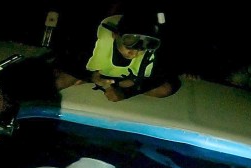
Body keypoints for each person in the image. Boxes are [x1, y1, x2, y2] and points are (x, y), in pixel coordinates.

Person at [51, 11, 180, 102]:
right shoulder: (92, 40)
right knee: (58, 81)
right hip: (94, 73)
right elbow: (65, 60)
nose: (134, 53)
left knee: (165, 89)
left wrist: (127, 92)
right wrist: (90, 76)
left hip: (126, 78)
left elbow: (167, 76)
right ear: (115, 34)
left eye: (142, 48)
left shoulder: (156, 51)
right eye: (129, 44)